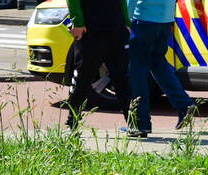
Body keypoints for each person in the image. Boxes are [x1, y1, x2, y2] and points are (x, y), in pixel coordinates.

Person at [122, 0, 196, 138]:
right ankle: (184, 104)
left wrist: (125, 21)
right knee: (158, 63)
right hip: (164, 21)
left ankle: (140, 123)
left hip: (142, 20)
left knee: (137, 71)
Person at [62, 0, 132, 129]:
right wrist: (78, 22)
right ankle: (72, 123)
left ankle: (133, 124)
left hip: (116, 30)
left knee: (122, 79)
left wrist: (126, 22)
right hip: (91, 32)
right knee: (83, 79)